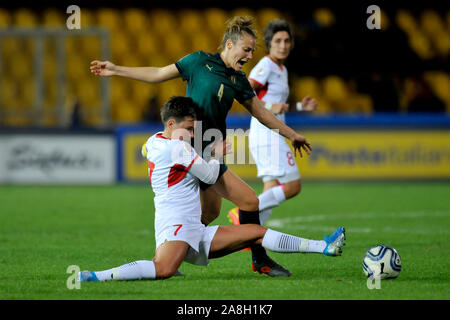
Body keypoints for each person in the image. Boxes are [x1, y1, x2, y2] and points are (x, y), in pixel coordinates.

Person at [90, 16, 312, 277]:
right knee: (250, 202)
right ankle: (259, 259)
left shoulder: (238, 80)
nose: (250, 55)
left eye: (253, 51)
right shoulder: (198, 61)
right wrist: (116, 70)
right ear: (229, 44)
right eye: (247, 49)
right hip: (189, 151)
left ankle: (167, 258)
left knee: (211, 211)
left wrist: (290, 134)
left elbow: (261, 113)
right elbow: (160, 73)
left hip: (210, 150)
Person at [78, 96, 346, 282]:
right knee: (164, 269)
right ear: (171, 124)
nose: (191, 135)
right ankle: (95, 276)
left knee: (255, 232)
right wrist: (215, 154)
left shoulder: (154, 141)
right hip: (178, 226)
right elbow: (207, 174)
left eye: (193, 130)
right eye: (187, 128)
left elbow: (146, 149)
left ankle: (323, 246)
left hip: (188, 226)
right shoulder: (177, 147)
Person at [228, 19, 317, 227]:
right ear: (269, 43)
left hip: (267, 133)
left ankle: (249, 234)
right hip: (267, 133)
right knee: (293, 186)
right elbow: (245, 89)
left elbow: (279, 106)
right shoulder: (266, 64)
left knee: (272, 185)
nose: (283, 45)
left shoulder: (281, 69)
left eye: (287, 41)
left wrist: (301, 107)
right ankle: (242, 212)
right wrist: (268, 105)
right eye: (278, 41)